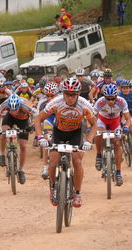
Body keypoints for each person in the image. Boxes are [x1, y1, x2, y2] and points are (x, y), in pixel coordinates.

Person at [34, 78, 97, 208]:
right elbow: (38, 119)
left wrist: (89, 140)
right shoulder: (56, 102)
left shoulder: (84, 104)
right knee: (53, 161)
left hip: (76, 133)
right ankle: (53, 188)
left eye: (73, 94)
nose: (70, 97)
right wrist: (41, 137)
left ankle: (77, 193)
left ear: (78, 94)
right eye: (67, 94)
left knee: (77, 160)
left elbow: (95, 124)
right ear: (62, 93)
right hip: (58, 132)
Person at [93, 83, 132, 186]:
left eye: (113, 99)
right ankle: (98, 155)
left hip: (115, 122)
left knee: (116, 143)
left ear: (116, 97)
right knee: (99, 133)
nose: (111, 101)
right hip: (102, 120)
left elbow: (128, 118)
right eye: (108, 99)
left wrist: (126, 126)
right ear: (104, 97)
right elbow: (92, 116)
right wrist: (91, 126)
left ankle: (118, 173)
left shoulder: (121, 101)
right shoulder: (100, 102)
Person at [0, 94, 36, 184]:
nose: (14, 111)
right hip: (9, 119)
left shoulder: (26, 106)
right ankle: (2, 154)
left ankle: (21, 170)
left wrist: (32, 126)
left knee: (23, 145)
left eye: (16, 109)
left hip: (23, 121)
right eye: (11, 109)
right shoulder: (5, 104)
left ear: (19, 106)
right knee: (3, 133)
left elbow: (37, 115)